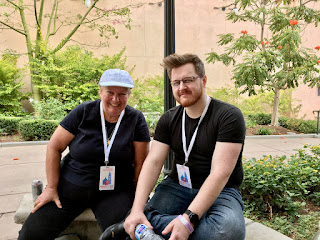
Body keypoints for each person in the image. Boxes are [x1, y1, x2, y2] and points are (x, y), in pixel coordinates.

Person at [101, 53, 246, 240]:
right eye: (176, 83)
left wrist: (188, 220)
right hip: (178, 186)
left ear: (203, 80)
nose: (182, 87)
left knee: (227, 232)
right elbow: (153, 162)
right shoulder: (169, 119)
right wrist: (137, 209)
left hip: (222, 191)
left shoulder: (228, 116)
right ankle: (147, 224)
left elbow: (220, 173)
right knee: (137, 218)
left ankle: (150, 229)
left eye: (188, 80)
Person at [18, 69, 151, 240]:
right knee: (29, 235)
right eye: (110, 92)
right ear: (100, 91)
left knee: (122, 235)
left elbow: (141, 163)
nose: (115, 99)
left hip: (115, 192)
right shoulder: (84, 111)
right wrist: (51, 187)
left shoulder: (136, 119)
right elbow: (54, 146)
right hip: (71, 188)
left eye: (122, 94)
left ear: (128, 95)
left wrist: (140, 200)